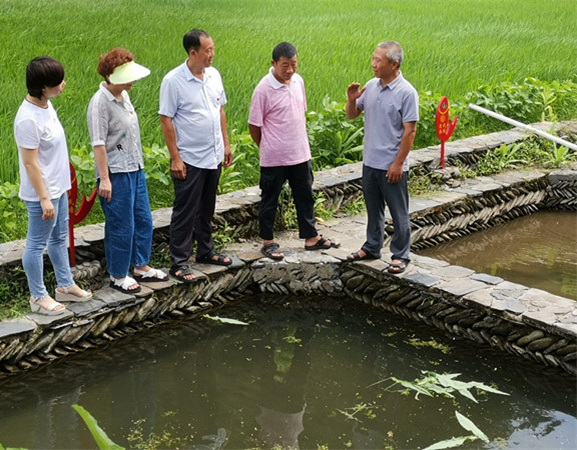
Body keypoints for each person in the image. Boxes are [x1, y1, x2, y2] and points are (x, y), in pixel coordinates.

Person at [14, 56, 92, 315]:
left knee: (59, 238)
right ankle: (37, 296)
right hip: (41, 194)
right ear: (42, 86)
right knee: (36, 244)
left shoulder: (46, 106)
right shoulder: (28, 119)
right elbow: (30, 163)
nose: (63, 85)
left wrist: (61, 188)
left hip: (58, 188)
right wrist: (44, 198)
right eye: (57, 82)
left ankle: (65, 285)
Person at [248, 42, 339, 260]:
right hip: (274, 158)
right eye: (285, 65)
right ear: (273, 63)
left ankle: (311, 237)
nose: (290, 70)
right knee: (270, 199)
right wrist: (268, 146)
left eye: (294, 64)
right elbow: (254, 125)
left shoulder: (298, 81)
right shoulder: (263, 89)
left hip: (300, 153)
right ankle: (268, 241)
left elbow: (300, 113)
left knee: (305, 196)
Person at [87, 48, 167, 294]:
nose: (133, 79)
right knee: (121, 225)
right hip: (115, 172)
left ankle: (141, 265)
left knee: (143, 219)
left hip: (135, 167)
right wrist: (104, 179)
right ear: (112, 76)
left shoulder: (124, 96)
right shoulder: (100, 102)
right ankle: (118, 274)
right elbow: (98, 143)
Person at [159, 29, 233, 283]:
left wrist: (226, 143)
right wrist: (175, 158)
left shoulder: (213, 75)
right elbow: (166, 120)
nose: (212, 54)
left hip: (213, 154)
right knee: (185, 210)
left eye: (213, 48)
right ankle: (178, 262)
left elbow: (219, 109)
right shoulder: (173, 81)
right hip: (189, 158)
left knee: (207, 206)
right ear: (193, 53)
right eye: (207, 50)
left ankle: (205, 251)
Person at [345, 41, 419, 274]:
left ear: (394, 64)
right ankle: (372, 246)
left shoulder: (407, 92)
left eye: (378, 60)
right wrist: (351, 98)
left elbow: (410, 131)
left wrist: (398, 163)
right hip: (370, 162)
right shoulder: (371, 86)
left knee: (398, 211)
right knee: (373, 208)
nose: (373, 64)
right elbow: (352, 115)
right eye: (373, 58)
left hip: (392, 164)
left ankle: (400, 254)